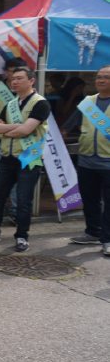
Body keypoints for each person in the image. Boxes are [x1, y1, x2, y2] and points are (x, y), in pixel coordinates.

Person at [0, 66, 50, 252]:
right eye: (13, 78)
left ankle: (22, 236)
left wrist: (10, 129)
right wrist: (17, 127)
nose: (14, 81)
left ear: (31, 81)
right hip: (7, 157)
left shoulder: (40, 103)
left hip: (29, 158)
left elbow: (25, 130)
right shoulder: (11, 104)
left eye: (19, 78)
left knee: (23, 200)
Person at [69, 65, 110, 256]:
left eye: (106, 77)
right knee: (90, 200)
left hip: (108, 161)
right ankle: (93, 232)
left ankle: (107, 239)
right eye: (99, 77)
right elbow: (75, 124)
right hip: (86, 159)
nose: (101, 80)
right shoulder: (88, 102)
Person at [0, 57, 26, 219]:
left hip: (20, 143)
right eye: (12, 72)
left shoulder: (29, 95)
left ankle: (15, 212)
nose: (15, 76)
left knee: (19, 179)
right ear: (5, 72)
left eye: (19, 73)